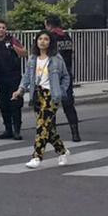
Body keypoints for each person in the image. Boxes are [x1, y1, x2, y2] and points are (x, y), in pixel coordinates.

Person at [14, 31, 72, 168]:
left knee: (42, 125)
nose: (43, 41)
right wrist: (20, 90)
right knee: (48, 127)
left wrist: (61, 90)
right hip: (37, 94)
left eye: (46, 39)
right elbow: (27, 76)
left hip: (51, 94)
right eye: (40, 39)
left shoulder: (56, 58)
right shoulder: (33, 58)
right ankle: (62, 151)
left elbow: (66, 76)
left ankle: (36, 157)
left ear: (50, 42)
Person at [0, 20, 26, 140]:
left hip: (13, 76)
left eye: (3, 27)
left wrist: (15, 48)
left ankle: (17, 130)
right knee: (3, 104)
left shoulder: (12, 40)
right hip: (0, 77)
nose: (1, 29)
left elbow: (24, 53)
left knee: (15, 103)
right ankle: (8, 129)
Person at [44, 15, 81, 142]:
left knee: (50, 105)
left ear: (48, 25)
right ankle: (75, 133)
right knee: (68, 105)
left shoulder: (49, 37)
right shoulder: (66, 36)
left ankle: (51, 135)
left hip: (52, 75)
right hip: (67, 74)